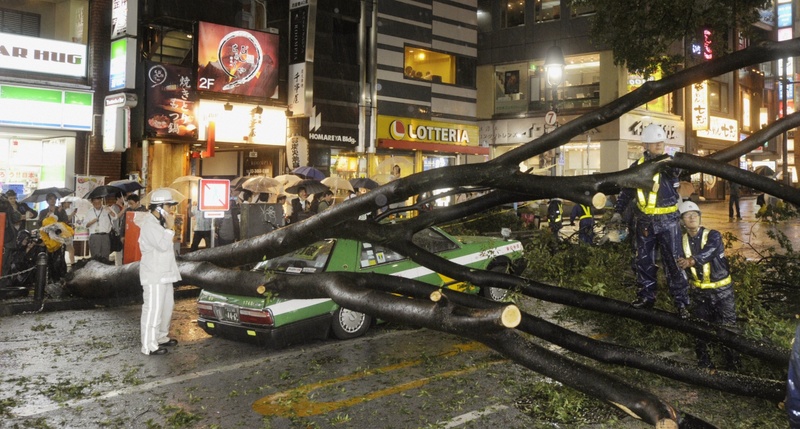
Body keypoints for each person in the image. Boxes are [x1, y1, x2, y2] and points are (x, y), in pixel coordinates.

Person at [611, 123, 690, 319]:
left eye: (661, 141)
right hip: (645, 221)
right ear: (645, 145)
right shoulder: (637, 167)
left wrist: (671, 164)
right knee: (644, 260)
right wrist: (618, 212)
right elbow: (627, 191)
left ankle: (681, 302)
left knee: (675, 261)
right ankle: (646, 297)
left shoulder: (670, 164)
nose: (659, 144)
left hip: (669, 220)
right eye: (655, 142)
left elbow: (677, 172)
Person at [676, 201, 739, 370]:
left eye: (695, 214)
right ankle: (704, 363)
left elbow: (710, 251)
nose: (692, 218)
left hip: (722, 292)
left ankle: (732, 366)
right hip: (700, 293)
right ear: (682, 221)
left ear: (700, 217)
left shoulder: (713, 235)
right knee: (700, 329)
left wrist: (691, 261)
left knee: (728, 328)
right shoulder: (681, 241)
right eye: (687, 216)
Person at [133, 189, 181, 356]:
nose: (171, 209)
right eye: (169, 206)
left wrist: (168, 227)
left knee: (167, 307)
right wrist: (170, 228)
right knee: (153, 309)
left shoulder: (159, 223)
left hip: (165, 273)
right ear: (159, 207)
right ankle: (149, 345)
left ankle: (161, 336)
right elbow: (162, 246)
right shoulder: (149, 225)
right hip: (154, 274)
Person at [85, 196, 118, 263]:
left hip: (105, 236)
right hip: (94, 236)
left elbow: (115, 217)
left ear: (101, 201)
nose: (97, 205)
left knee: (105, 256)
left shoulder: (107, 209)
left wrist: (110, 212)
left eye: (99, 202)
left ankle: (105, 269)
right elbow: (85, 225)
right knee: (95, 257)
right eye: (95, 203)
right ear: (92, 203)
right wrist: (92, 222)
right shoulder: (89, 212)